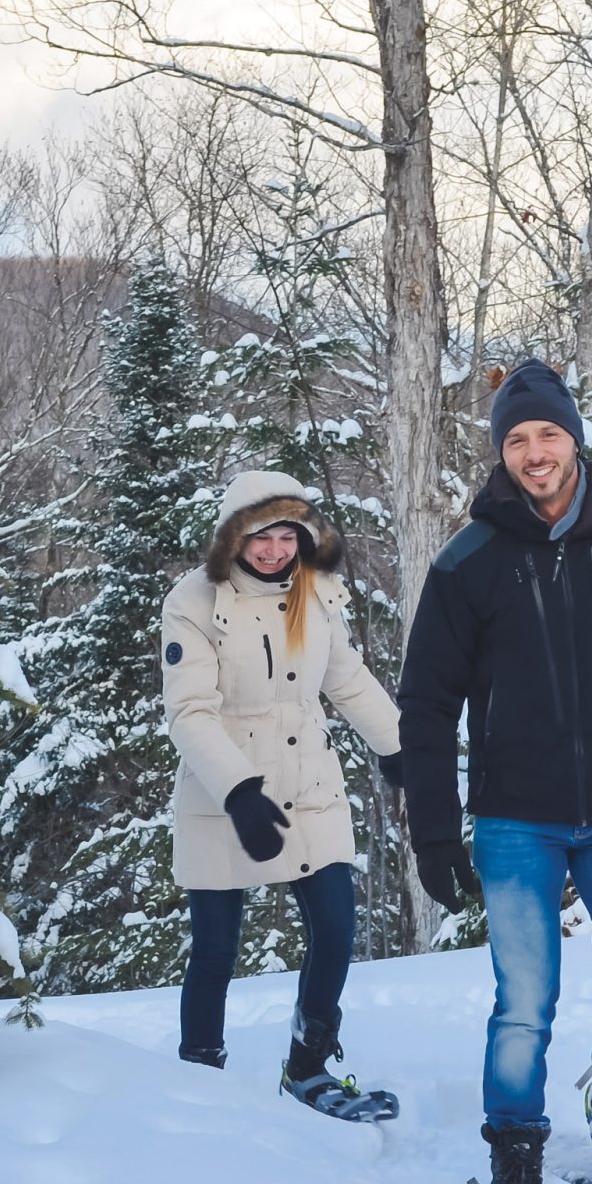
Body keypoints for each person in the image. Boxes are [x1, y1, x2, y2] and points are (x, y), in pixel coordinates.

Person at [397, 358, 592, 1184]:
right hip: (517, 817)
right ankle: (516, 1174)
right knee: (526, 999)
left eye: (548, 433)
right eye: (516, 439)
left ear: (575, 438)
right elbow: (426, 705)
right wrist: (435, 829)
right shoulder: (469, 561)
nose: (534, 452)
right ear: (500, 453)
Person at [161, 470, 408, 1122]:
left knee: (335, 929)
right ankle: (199, 1078)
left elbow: (346, 678)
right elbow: (189, 712)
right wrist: (240, 790)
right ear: (233, 533)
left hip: (310, 788)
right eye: (260, 535)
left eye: (286, 535)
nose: (273, 549)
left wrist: (399, 747)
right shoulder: (194, 599)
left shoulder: (316, 591)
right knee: (215, 948)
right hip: (224, 796)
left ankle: (308, 1067)